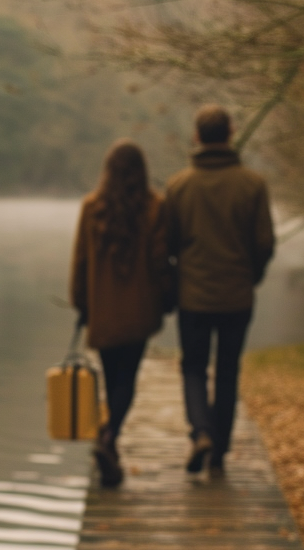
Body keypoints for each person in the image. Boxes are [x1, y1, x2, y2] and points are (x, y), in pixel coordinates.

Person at [165, 105, 274, 476]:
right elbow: (264, 243)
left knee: (193, 369)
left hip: (193, 296)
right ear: (231, 133)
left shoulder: (178, 186)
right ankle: (220, 452)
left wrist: (177, 279)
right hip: (237, 296)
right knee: (227, 372)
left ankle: (200, 433)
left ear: (197, 137)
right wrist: (251, 275)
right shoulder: (253, 185)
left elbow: (167, 244)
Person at [71, 139, 171, 487]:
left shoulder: (91, 208)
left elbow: (80, 262)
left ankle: (108, 439)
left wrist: (81, 303)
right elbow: (161, 263)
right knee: (127, 381)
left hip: (103, 312)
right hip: (139, 312)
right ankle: (110, 437)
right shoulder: (155, 208)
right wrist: (167, 301)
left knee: (112, 377)